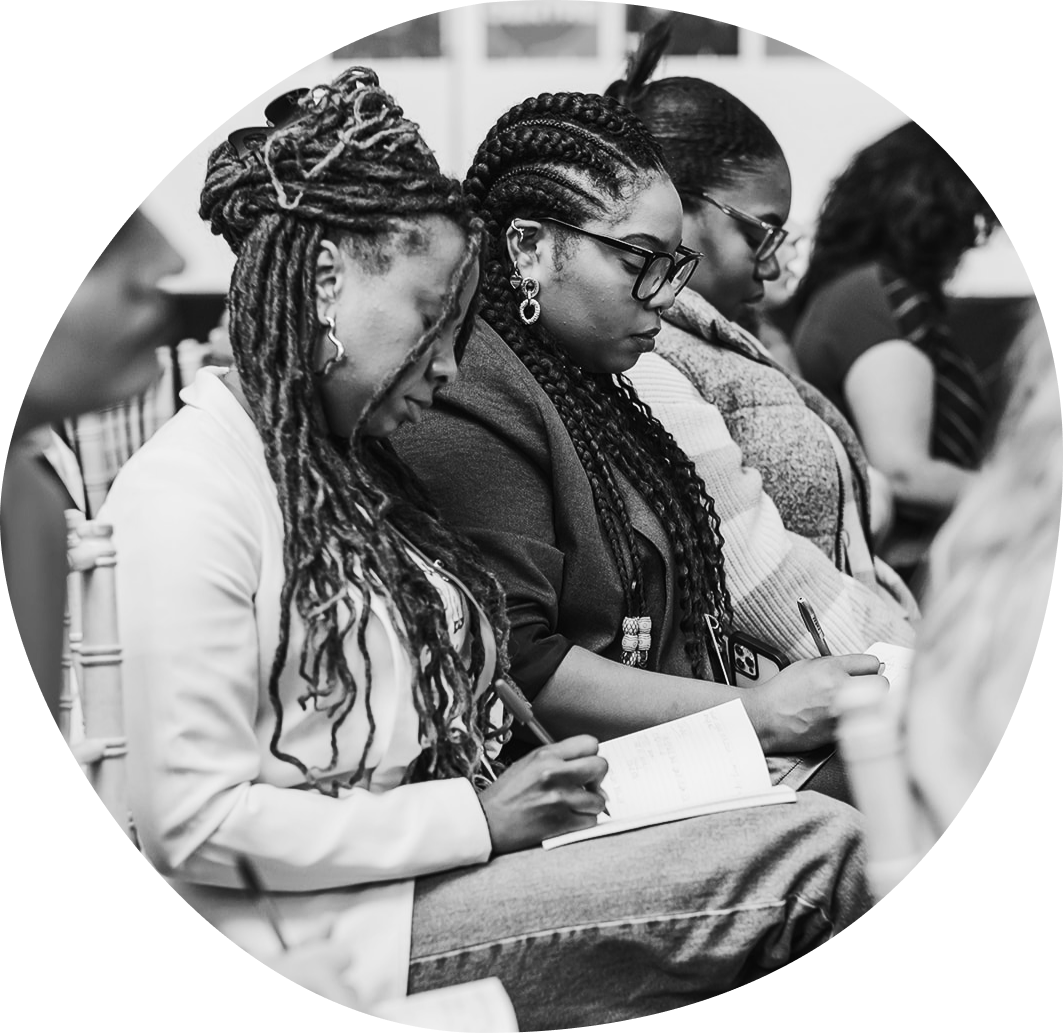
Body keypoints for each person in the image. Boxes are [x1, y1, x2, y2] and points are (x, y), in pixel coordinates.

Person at [98, 67, 873, 1028]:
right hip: (326, 927)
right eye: (431, 320)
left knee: (850, 779)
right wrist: (476, 817)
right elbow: (193, 825)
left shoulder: (344, 468)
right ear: (327, 279)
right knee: (812, 857)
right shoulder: (190, 488)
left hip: (438, 858)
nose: (452, 363)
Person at [392, 84, 892, 812]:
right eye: (639, 259)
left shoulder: (587, 377)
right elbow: (517, 661)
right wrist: (755, 713)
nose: (663, 294)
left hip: (654, 763)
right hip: (557, 790)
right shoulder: (469, 384)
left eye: (672, 264)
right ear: (529, 246)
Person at [596, 20, 916, 672]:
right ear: (674, 212)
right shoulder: (644, 355)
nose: (770, 269)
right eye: (759, 235)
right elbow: (756, 574)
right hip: (823, 690)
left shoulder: (729, 341)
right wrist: (925, 665)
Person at [791, 120, 998, 589]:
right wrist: (1027, 498)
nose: (971, 238)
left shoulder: (843, 292)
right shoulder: (873, 296)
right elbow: (904, 471)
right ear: (929, 209)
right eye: (969, 219)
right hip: (913, 570)